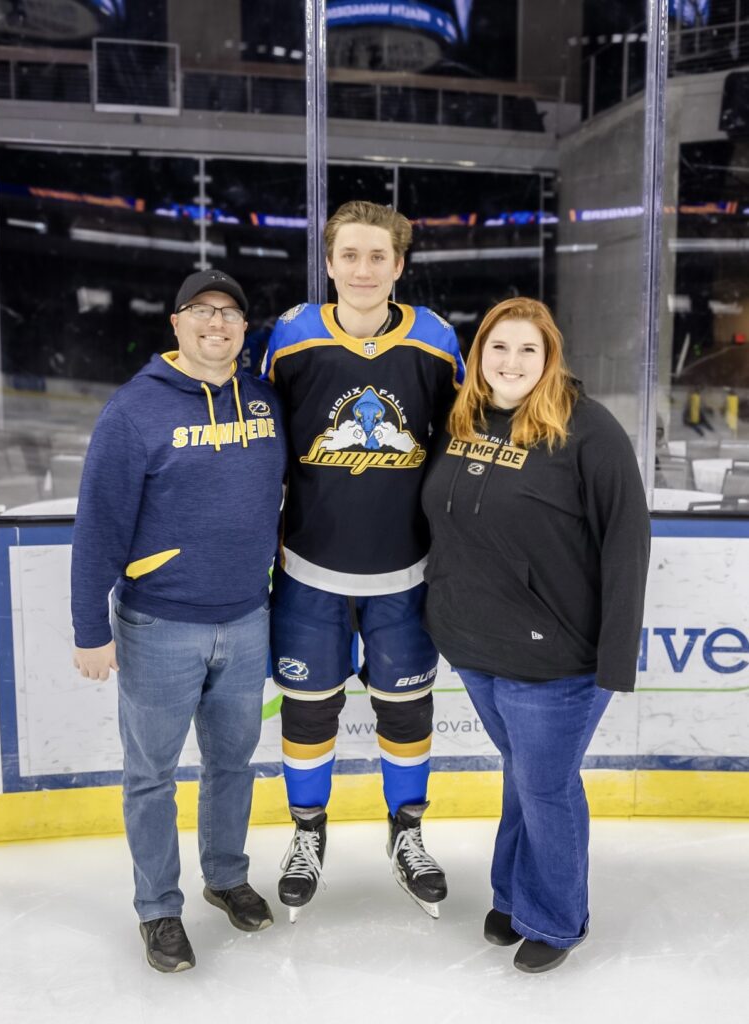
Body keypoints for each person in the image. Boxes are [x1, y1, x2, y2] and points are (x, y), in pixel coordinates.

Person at [421, 297, 649, 973]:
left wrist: (616, 659)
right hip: (477, 645)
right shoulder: (462, 420)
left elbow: (626, 543)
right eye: (499, 347)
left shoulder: (588, 430)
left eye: (529, 350)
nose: (512, 362)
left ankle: (554, 916)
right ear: (478, 355)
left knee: (546, 785)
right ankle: (513, 894)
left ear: (550, 358)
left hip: (558, 656)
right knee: (521, 775)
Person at [71, 269, 287, 973]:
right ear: (177, 323)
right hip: (158, 625)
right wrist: (88, 627)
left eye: (229, 313)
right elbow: (98, 525)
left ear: (243, 330)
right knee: (151, 775)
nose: (216, 322)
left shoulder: (264, 400)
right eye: (202, 310)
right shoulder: (134, 411)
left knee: (232, 764)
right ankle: (159, 908)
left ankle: (225, 877)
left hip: (247, 618)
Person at [262, 200, 465, 919]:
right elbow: (261, 436)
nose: (363, 269)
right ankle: (307, 834)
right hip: (309, 570)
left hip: (404, 573)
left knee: (405, 709)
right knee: (308, 710)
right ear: (327, 262)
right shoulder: (289, 337)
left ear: (400, 266)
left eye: (379, 256)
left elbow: (461, 439)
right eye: (349, 255)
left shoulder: (437, 340)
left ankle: (406, 832)